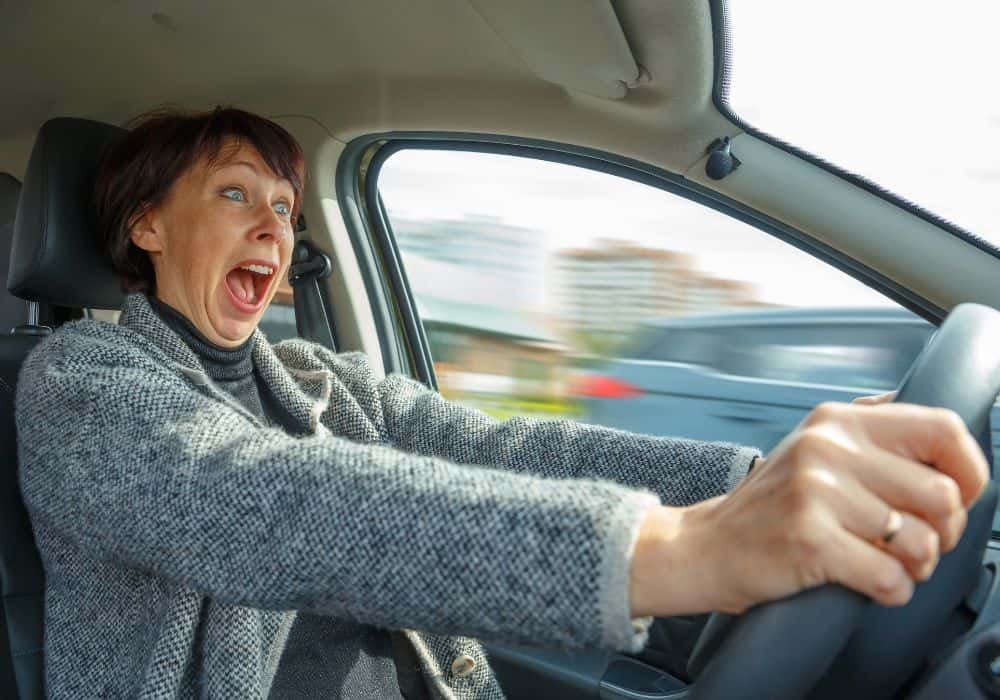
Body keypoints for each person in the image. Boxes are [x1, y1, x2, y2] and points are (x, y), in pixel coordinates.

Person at [15, 107, 987, 700]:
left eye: (284, 206)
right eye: (236, 194)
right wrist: (680, 550)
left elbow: (502, 450)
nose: (273, 224)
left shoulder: (318, 376)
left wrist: (754, 480)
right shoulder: (80, 386)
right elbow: (264, 506)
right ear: (144, 224)